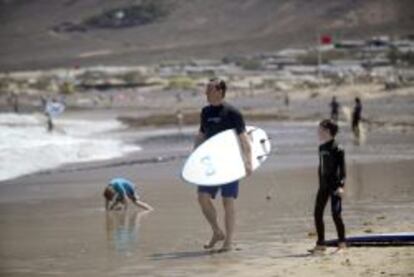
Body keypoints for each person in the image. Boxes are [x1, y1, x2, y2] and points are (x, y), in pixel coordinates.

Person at [194, 78, 252, 252]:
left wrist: (248, 161)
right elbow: (201, 134)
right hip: (211, 162)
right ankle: (217, 231)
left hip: (230, 162)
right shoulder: (205, 112)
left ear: (219, 91)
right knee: (202, 198)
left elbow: (244, 138)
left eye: (209, 90)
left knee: (228, 202)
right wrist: (194, 156)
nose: (206, 93)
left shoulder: (232, 112)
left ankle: (229, 241)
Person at [309, 119, 347, 254]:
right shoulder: (321, 148)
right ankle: (321, 243)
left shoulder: (338, 148)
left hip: (335, 186)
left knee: (336, 214)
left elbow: (342, 170)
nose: (318, 133)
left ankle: (342, 244)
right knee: (317, 213)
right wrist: (320, 184)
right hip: (323, 186)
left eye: (320, 130)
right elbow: (321, 168)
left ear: (327, 131)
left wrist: (341, 186)